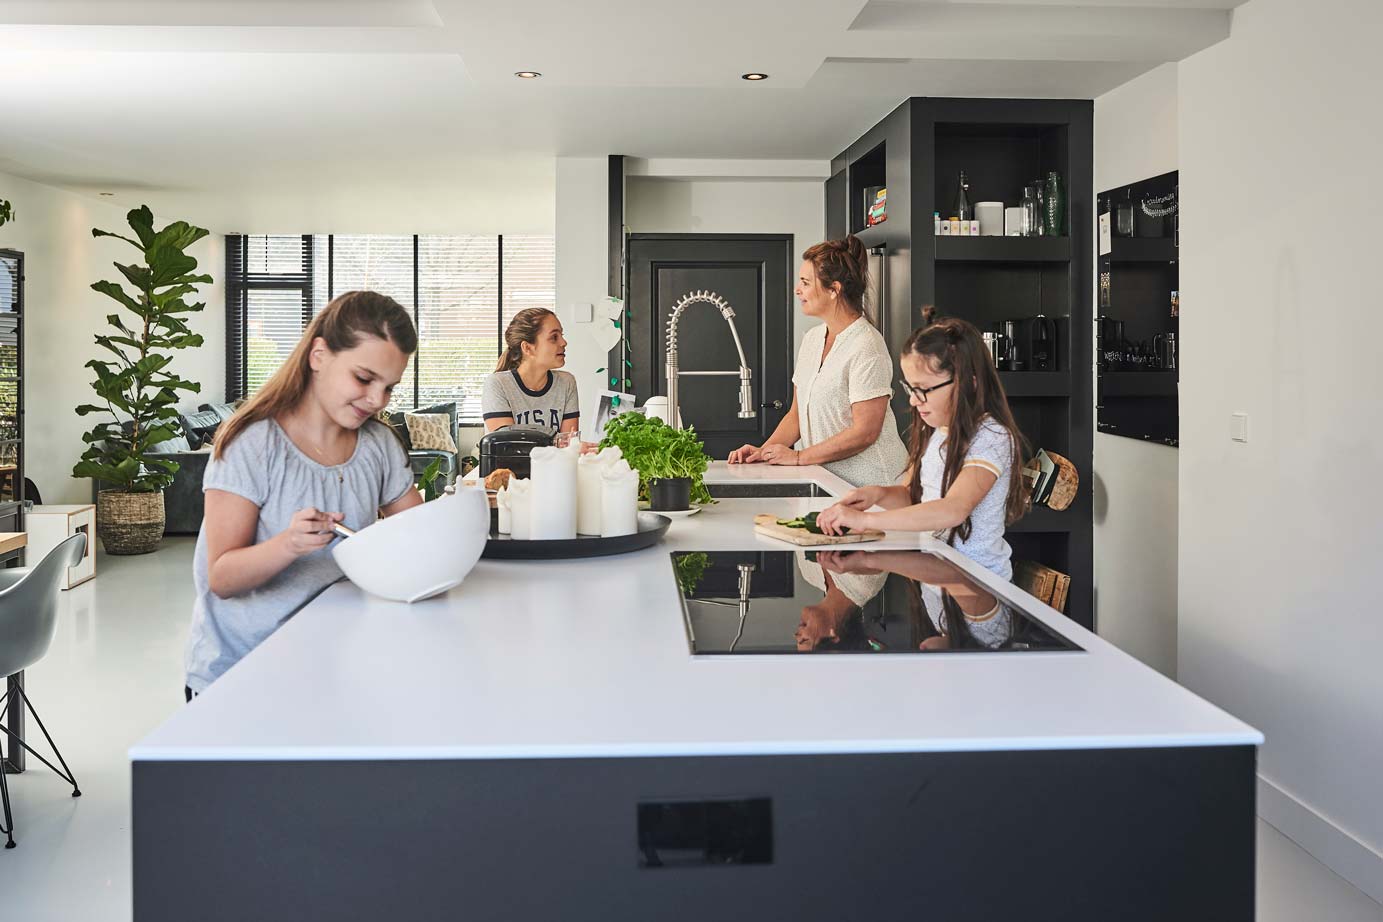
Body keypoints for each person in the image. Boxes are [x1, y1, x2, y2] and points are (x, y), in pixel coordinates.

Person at [184, 291, 421, 698]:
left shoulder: (379, 445)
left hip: (336, 666)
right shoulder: (253, 444)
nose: (376, 400)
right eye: (364, 379)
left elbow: (418, 537)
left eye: (389, 388)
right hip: (240, 677)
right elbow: (221, 578)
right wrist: (290, 544)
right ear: (319, 356)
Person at [815, 313, 1029, 582]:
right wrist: (877, 495)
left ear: (968, 383)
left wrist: (866, 522)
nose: (914, 401)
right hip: (939, 571)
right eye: (910, 389)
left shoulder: (991, 437)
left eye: (923, 389)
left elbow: (952, 509)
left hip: (979, 582)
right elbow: (917, 498)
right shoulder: (938, 430)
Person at [727, 236, 907, 487]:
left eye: (805, 282)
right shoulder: (812, 339)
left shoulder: (867, 345)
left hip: (875, 483)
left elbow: (865, 431)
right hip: (828, 480)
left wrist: (799, 457)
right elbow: (796, 416)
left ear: (834, 289)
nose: (797, 290)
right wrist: (763, 451)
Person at [482, 307, 580, 436]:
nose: (564, 342)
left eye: (562, 335)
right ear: (527, 348)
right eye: (554, 337)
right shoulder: (497, 384)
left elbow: (569, 443)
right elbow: (507, 444)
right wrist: (557, 442)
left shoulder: (566, 382)